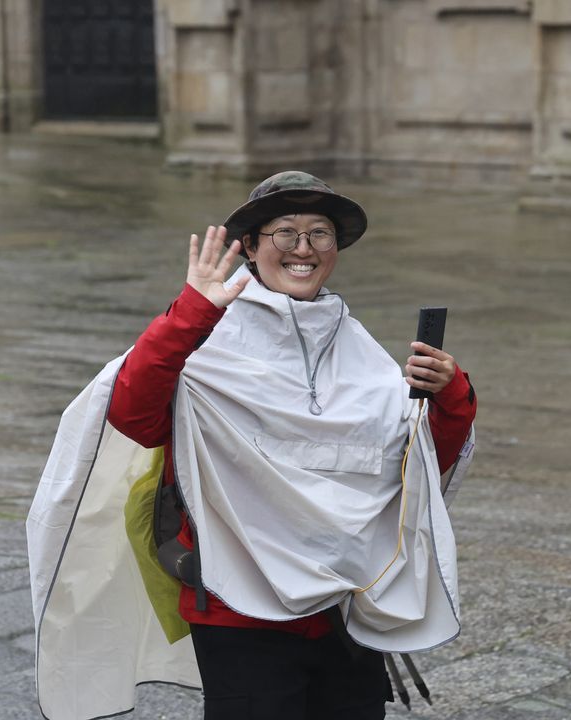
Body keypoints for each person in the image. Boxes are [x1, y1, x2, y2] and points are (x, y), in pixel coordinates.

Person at [28, 171, 476, 720]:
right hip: (237, 610)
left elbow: (417, 465)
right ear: (254, 247)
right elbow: (133, 414)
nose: (304, 249)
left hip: (347, 609)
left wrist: (449, 392)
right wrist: (193, 311)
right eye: (285, 232)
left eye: (321, 233)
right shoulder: (208, 337)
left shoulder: (360, 349)